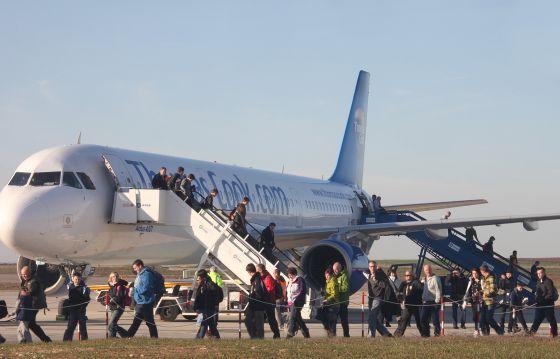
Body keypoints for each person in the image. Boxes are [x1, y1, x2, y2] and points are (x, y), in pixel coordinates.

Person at [126, 259, 158, 338]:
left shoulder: (146, 274)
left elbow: (145, 288)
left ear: (140, 266)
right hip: (140, 301)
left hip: (146, 302)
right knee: (136, 322)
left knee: (149, 322)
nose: (134, 270)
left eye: (135, 268)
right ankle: (128, 336)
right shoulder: (140, 274)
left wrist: (134, 291)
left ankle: (154, 337)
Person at [20, 266, 51, 342]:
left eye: (25, 274)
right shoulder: (27, 280)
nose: (24, 276)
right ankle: (45, 339)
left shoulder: (33, 281)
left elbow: (30, 292)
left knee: (29, 323)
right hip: (32, 304)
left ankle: (26, 340)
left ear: (29, 273)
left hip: (34, 305)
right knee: (31, 323)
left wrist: (24, 293)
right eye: (23, 274)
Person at [365, 260, 391, 337]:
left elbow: (384, 285)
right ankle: (386, 334)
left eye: (373, 266)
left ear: (376, 267)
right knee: (373, 319)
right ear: (369, 267)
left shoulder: (380, 274)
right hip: (371, 298)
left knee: (372, 316)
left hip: (378, 298)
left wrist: (376, 280)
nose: (372, 268)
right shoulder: (368, 274)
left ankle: (371, 335)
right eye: (370, 267)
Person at [529, 267, 558, 337]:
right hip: (539, 305)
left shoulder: (548, 281)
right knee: (536, 320)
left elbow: (550, 293)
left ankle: (555, 335)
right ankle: (530, 334)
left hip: (548, 305)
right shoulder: (538, 281)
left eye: (540, 273)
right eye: (538, 273)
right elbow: (538, 291)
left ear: (544, 273)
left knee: (551, 321)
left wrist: (542, 299)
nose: (539, 274)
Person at [394, 271, 423, 337]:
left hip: (416, 305)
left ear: (412, 276)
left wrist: (417, 281)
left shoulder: (416, 282)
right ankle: (397, 335)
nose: (407, 276)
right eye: (406, 275)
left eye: (409, 275)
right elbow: (399, 293)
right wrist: (401, 300)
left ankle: (424, 334)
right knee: (403, 320)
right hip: (407, 305)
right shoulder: (403, 283)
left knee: (419, 322)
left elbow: (421, 288)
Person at [193, 269, 221, 339]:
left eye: (199, 277)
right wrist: (196, 307)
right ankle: (216, 338)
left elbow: (200, 296)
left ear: (202, 277)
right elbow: (198, 296)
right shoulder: (204, 283)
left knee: (204, 323)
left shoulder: (208, 284)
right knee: (211, 324)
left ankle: (199, 338)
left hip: (207, 307)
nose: (198, 279)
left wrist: (215, 304)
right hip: (205, 307)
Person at [63, 272, 90, 341]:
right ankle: (67, 341)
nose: (77, 281)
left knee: (82, 327)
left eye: (78, 279)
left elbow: (87, 299)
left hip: (81, 310)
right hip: (73, 310)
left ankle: (84, 340)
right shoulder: (70, 286)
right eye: (76, 279)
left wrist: (82, 307)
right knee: (70, 326)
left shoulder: (84, 288)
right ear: (72, 279)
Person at [256, 264, 281, 338]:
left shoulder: (268, 278)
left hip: (269, 302)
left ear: (260, 270)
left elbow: (270, 290)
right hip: (265, 302)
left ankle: (276, 334)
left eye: (257, 270)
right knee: (262, 318)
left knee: (271, 319)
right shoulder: (262, 278)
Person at [479, 264, 504, 335]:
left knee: (489, 319)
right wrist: (480, 292)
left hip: (490, 302)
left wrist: (485, 292)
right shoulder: (484, 278)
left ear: (482, 271)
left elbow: (493, 290)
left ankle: (500, 331)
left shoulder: (491, 278)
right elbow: (484, 289)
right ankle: (485, 335)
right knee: (482, 320)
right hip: (484, 302)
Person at [245, 263, 268, 339]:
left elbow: (259, 292)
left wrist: (252, 297)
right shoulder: (255, 279)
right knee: (248, 321)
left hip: (258, 305)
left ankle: (258, 338)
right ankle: (254, 336)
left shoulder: (257, 279)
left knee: (258, 323)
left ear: (249, 271)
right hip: (253, 304)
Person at [286, 267, 310, 338]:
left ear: (293, 273)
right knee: (298, 318)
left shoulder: (300, 279)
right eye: (288, 274)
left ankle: (290, 333)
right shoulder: (289, 281)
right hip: (291, 302)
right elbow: (288, 292)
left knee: (292, 317)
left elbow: (302, 291)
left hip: (298, 302)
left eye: (290, 274)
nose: (289, 276)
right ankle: (306, 333)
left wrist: (297, 299)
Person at [420, 264, 442, 337]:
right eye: (426, 270)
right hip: (425, 302)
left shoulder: (435, 278)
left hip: (434, 302)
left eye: (429, 269)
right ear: (424, 271)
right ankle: (426, 334)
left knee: (435, 320)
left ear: (431, 269)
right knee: (423, 319)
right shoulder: (423, 279)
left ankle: (437, 334)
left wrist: (437, 302)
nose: (428, 271)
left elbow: (438, 291)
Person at [107, 272, 129, 338]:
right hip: (112, 307)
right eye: (113, 276)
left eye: (116, 276)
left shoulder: (120, 286)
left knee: (111, 324)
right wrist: (108, 300)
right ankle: (113, 337)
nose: (115, 277)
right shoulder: (111, 286)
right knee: (113, 324)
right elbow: (110, 296)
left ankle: (126, 334)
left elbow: (120, 297)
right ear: (111, 278)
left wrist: (112, 300)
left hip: (119, 307)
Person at [462, 268, 483, 336]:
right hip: (473, 301)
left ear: (478, 273)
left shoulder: (481, 280)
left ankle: (479, 329)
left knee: (479, 315)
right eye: (473, 273)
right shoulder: (471, 281)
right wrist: (465, 301)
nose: (474, 275)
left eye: (475, 273)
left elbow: (484, 290)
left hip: (481, 301)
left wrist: (479, 293)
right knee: (474, 316)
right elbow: (467, 291)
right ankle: (477, 329)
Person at [333, 262, 350, 337]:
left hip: (343, 302)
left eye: (336, 270)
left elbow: (345, 288)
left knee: (344, 320)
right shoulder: (335, 275)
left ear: (339, 268)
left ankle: (346, 335)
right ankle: (333, 335)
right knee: (333, 320)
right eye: (334, 270)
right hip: (335, 302)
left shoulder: (344, 275)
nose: (335, 272)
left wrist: (336, 289)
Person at [322, 268, 340, 337]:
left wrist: (327, 300)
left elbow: (334, 295)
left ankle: (332, 335)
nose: (326, 277)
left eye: (328, 275)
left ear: (331, 275)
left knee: (332, 321)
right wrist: (323, 292)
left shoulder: (333, 282)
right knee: (327, 321)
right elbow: (328, 292)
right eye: (325, 275)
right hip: (329, 305)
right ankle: (330, 334)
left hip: (334, 305)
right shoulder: (328, 282)